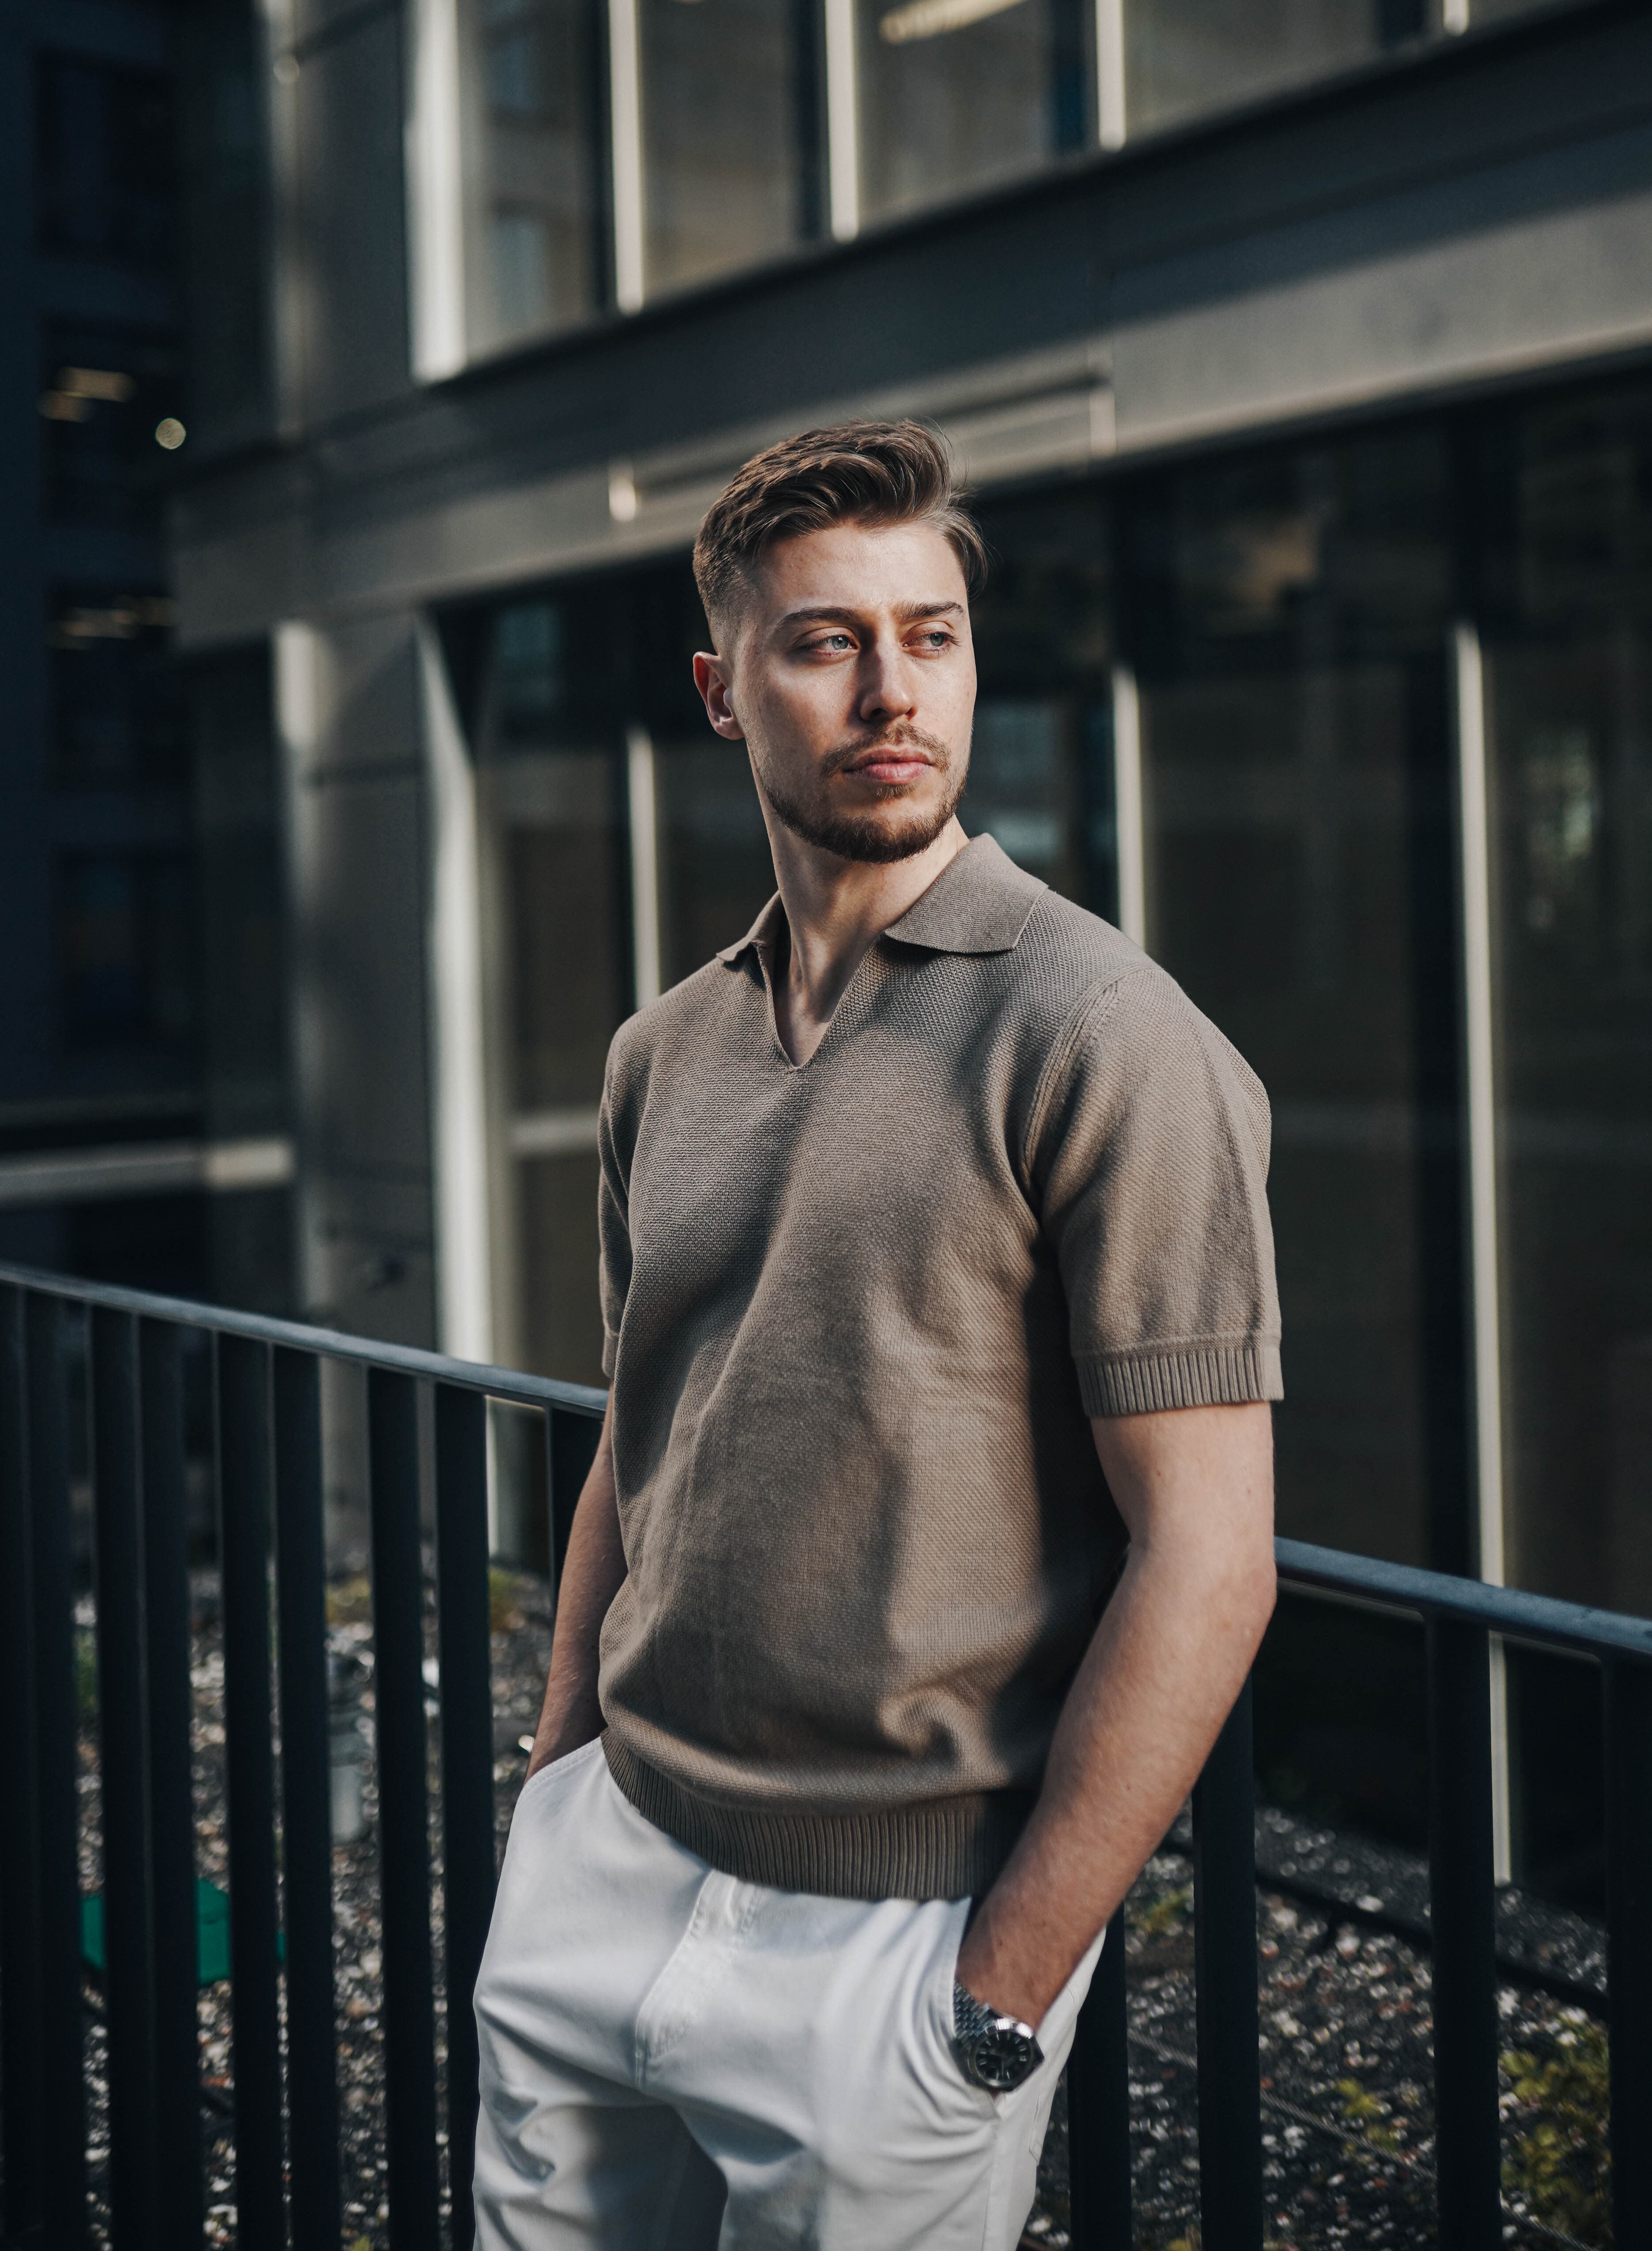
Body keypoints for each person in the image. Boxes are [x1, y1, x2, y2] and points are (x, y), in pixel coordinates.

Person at [473, 419, 1281, 2249]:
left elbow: (1210, 1559)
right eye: (828, 641)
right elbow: (641, 1434)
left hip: (897, 1953)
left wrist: (1001, 1993)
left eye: (931, 636)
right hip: (607, 1874)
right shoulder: (659, 1052)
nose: (891, 690)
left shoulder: (1104, 1036)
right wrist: (553, 1798)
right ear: (722, 688)